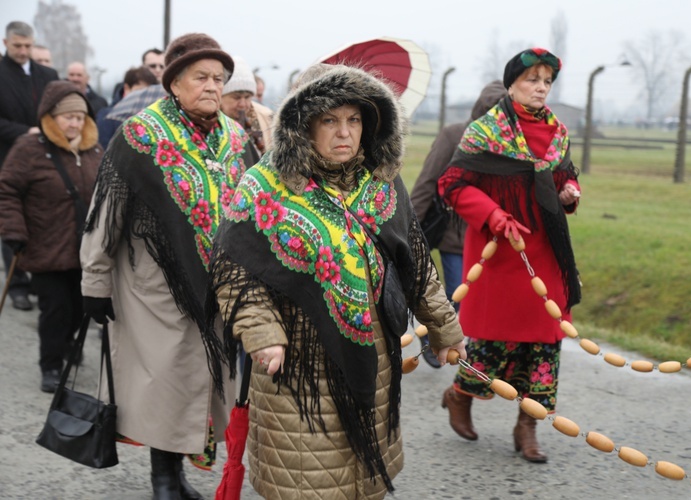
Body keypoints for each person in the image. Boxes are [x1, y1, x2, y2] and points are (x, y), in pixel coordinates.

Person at [204, 63, 467, 499]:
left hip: (375, 361)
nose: (344, 132)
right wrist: (263, 334)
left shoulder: (382, 182)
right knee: (310, 484)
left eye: (354, 119)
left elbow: (416, 263)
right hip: (299, 370)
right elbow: (235, 271)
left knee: (363, 481)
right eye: (329, 120)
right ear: (302, 124)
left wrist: (444, 330)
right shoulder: (264, 187)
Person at [79, 33, 255, 499]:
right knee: (168, 384)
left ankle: (175, 475)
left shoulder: (235, 139)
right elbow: (106, 211)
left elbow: (252, 210)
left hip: (218, 288)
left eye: (220, 78)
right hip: (154, 286)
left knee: (202, 386)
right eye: (201, 77)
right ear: (174, 83)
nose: (213, 86)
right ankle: (163, 480)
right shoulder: (142, 135)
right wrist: (94, 281)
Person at [438, 48, 581, 463]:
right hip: (500, 251)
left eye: (546, 81)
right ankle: (461, 394)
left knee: (545, 345)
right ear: (513, 84)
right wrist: (495, 216)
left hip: (547, 253)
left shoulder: (558, 133)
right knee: (490, 343)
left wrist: (570, 194)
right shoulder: (485, 132)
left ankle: (528, 425)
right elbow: (453, 185)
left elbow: (565, 177)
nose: (540, 88)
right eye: (532, 80)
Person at [0, 81, 102, 392]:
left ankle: (69, 344)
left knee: (79, 308)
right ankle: (51, 366)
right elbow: (7, 191)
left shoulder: (95, 150)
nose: (75, 123)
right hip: (46, 247)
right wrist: (14, 230)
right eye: (68, 117)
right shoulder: (29, 149)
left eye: (80, 118)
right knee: (55, 311)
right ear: (51, 117)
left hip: (86, 250)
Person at [410, 80, 507, 368]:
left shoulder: (506, 145)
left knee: (476, 299)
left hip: (490, 236)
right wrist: (408, 226)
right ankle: (432, 337)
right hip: (455, 233)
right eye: (491, 111)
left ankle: (457, 344)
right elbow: (428, 179)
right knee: (456, 295)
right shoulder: (454, 135)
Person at [0, 21, 58, 312]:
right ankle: (18, 285)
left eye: (27, 46)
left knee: (41, 219)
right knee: (13, 221)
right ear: (5, 42)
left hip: (44, 160)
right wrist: (26, 131)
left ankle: (39, 278)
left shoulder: (47, 74)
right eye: (17, 46)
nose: (23, 51)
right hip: (7, 157)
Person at [96, 65, 157, 149]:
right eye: (140, 91)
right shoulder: (108, 116)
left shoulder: (154, 117)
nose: (144, 97)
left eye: (148, 93)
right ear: (127, 88)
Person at [220, 55, 263, 164]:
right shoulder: (209, 129)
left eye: (248, 97)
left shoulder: (263, 121)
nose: (243, 104)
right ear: (220, 97)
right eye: (237, 97)